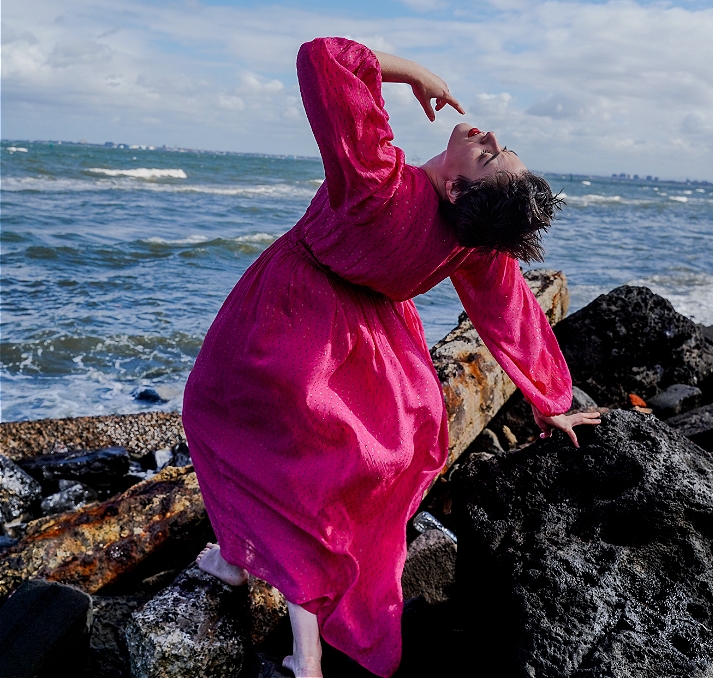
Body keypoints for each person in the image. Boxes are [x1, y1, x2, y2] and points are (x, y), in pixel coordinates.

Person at [183, 37, 600, 678]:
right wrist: (551, 401)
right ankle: (239, 570)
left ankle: (301, 644)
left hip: (289, 317)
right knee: (319, 472)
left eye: (488, 154)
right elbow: (510, 312)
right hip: (371, 342)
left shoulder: (378, 183)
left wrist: (413, 73)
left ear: (461, 188)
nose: (484, 134)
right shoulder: (473, 243)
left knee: (220, 418)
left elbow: (322, 58)